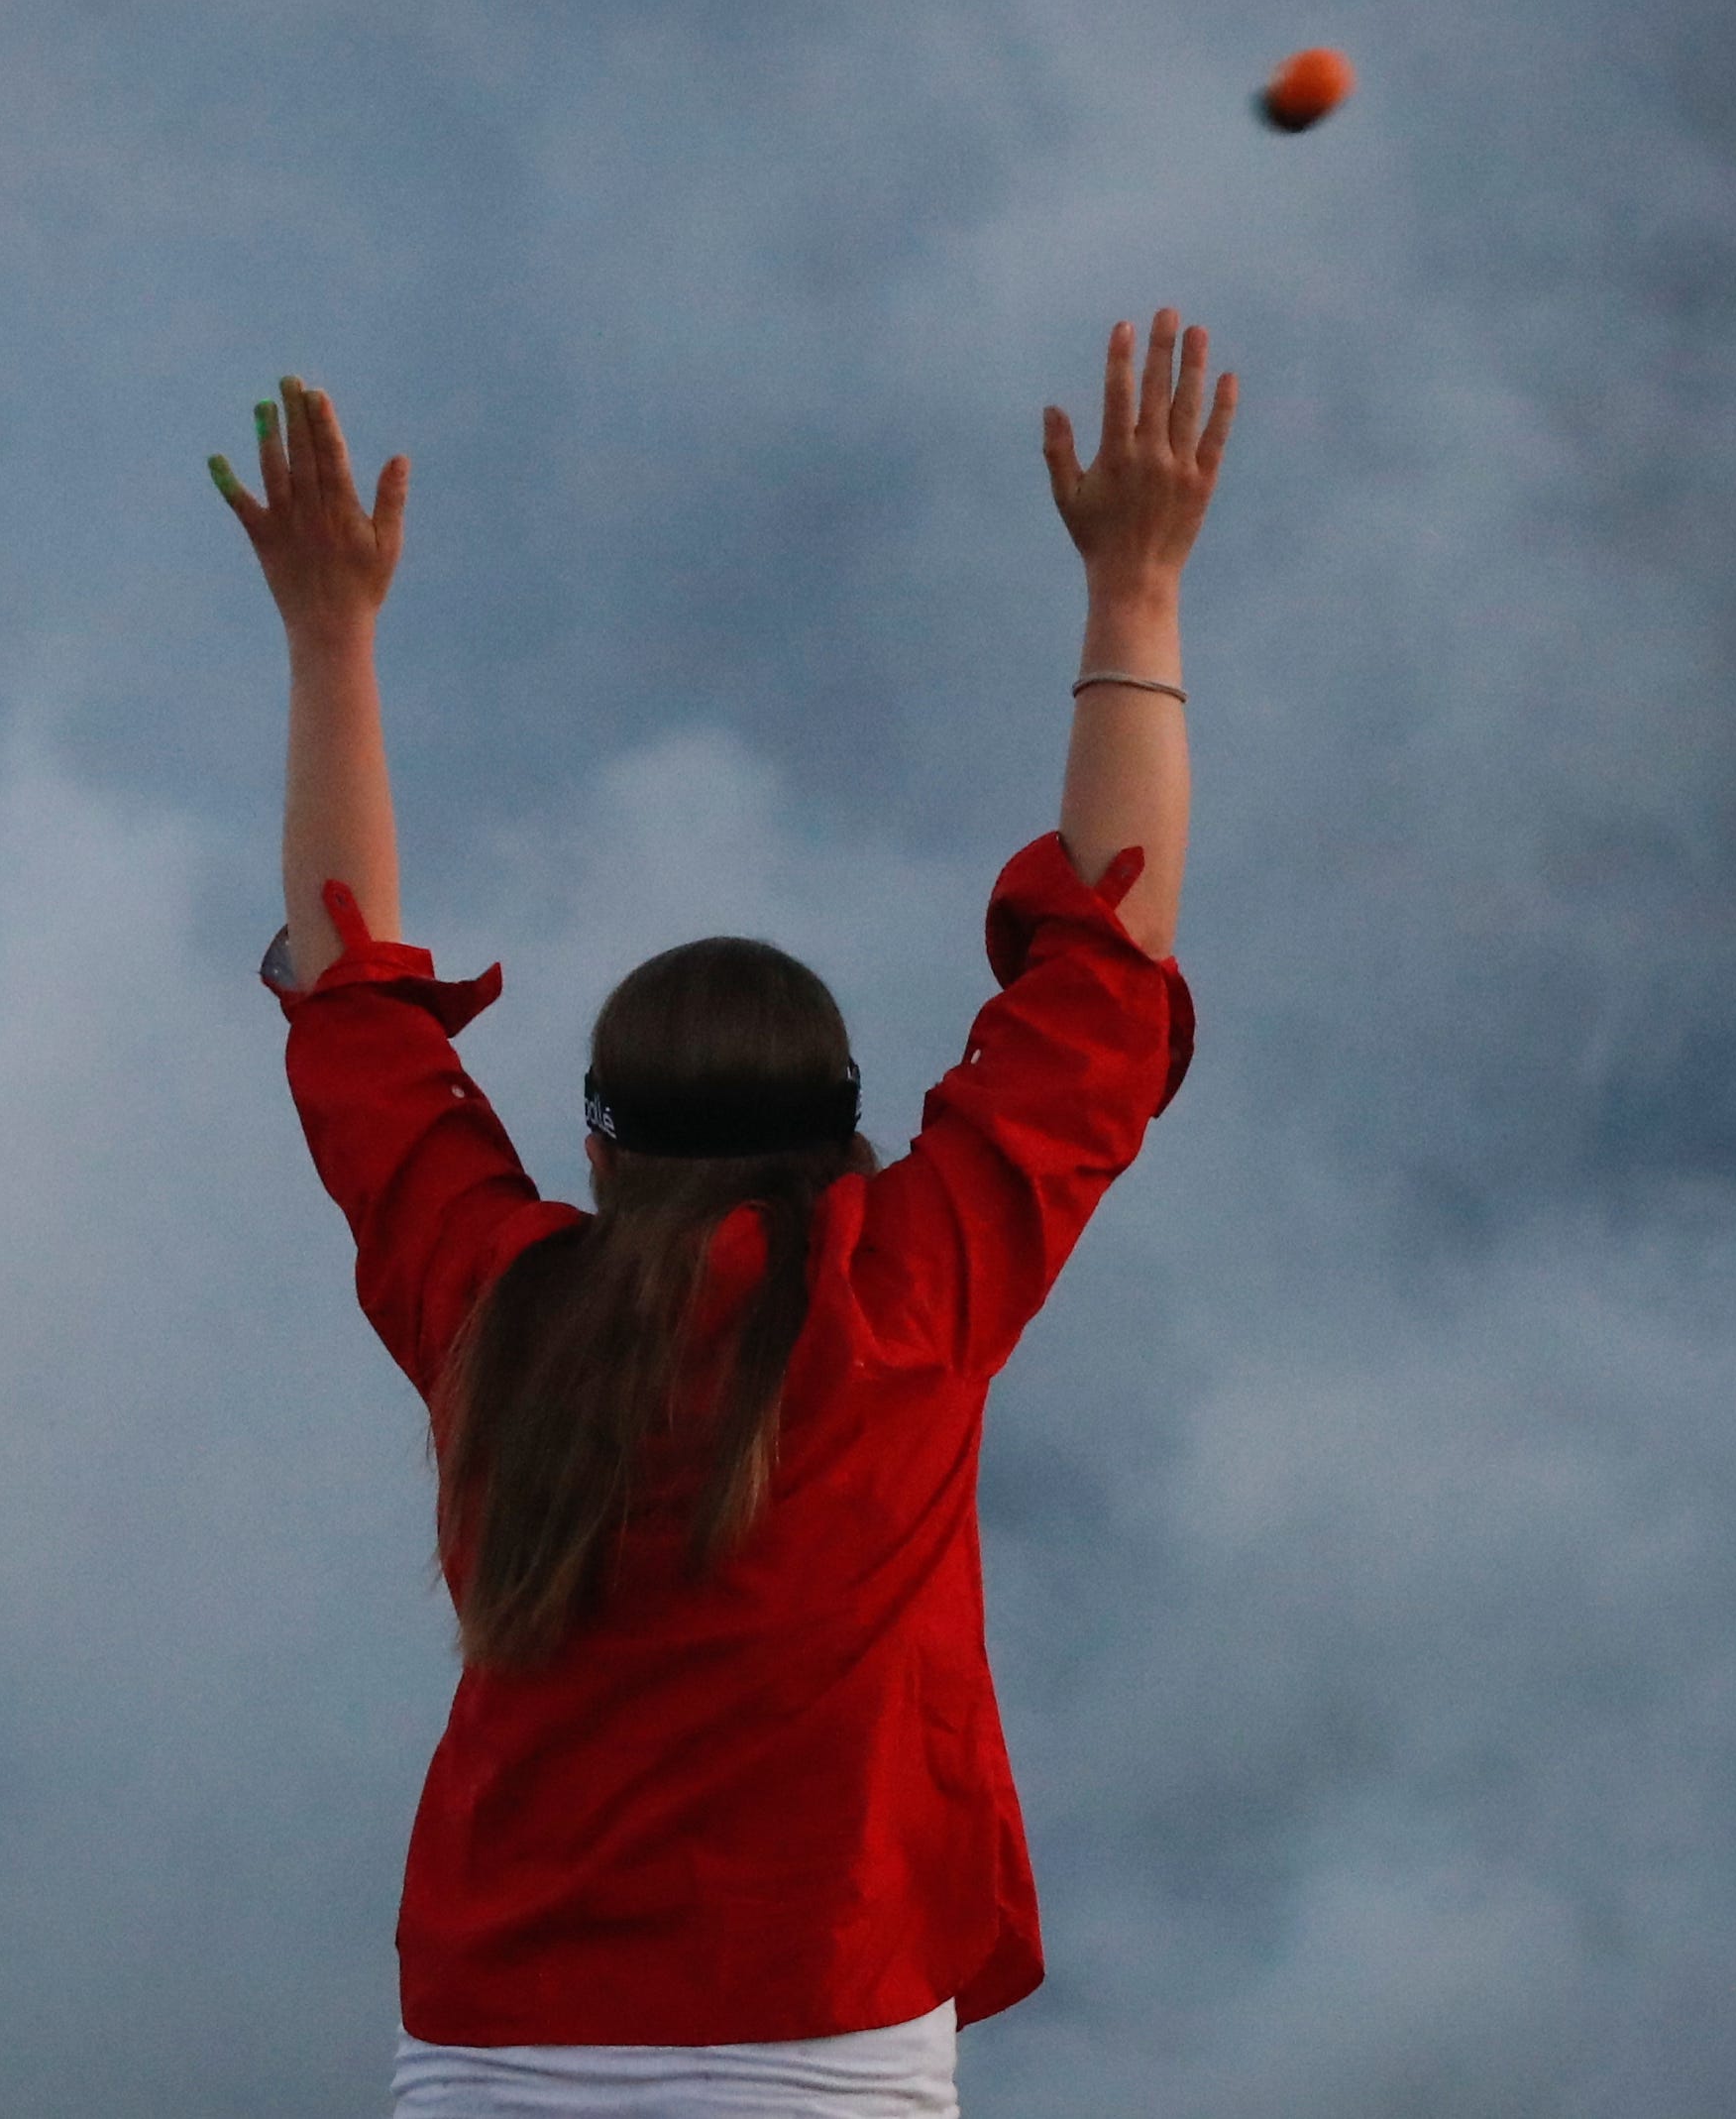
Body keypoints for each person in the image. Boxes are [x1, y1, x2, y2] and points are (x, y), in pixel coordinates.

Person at [212, 308, 1234, 2117]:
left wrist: (327, 635)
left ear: (597, 1151)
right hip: (826, 2037)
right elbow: (1107, 949)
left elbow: (353, 1000)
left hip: (496, 2042)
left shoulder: (495, 1305)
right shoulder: (908, 1296)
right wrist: (1135, 589)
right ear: (847, 1141)